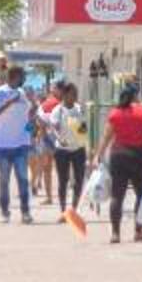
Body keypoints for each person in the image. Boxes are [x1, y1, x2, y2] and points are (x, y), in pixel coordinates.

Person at [102, 79, 142, 243]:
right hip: (138, 156)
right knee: (141, 194)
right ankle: (138, 231)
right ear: (136, 96)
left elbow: (107, 137)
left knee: (117, 196)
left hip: (118, 156)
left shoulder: (115, 113)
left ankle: (115, 233)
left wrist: (98, 154)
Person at [0, 63, 37, 223]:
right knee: (4, 179)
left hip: (21, 144)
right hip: (3, 144)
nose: (24, 80)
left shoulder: (23, 93)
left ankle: (25, 212)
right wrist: (10, 102)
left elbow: (30, 115)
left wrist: (33, 104)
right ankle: (5, 212)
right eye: (22, 77)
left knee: (23, 179)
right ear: (14, 77)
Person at [48, 78, 90, 220]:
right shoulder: (58, 111)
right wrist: (58, 136)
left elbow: (84, 130)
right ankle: (63, 211)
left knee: (79, 181)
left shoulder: (79, 109)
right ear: (64, 95)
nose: (74, 97)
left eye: (75, 94)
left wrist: (80, 128)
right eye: (71, 94)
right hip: (62, 150)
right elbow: (54, 127)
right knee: (63, 180)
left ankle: (74, 209)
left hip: (78, 149)